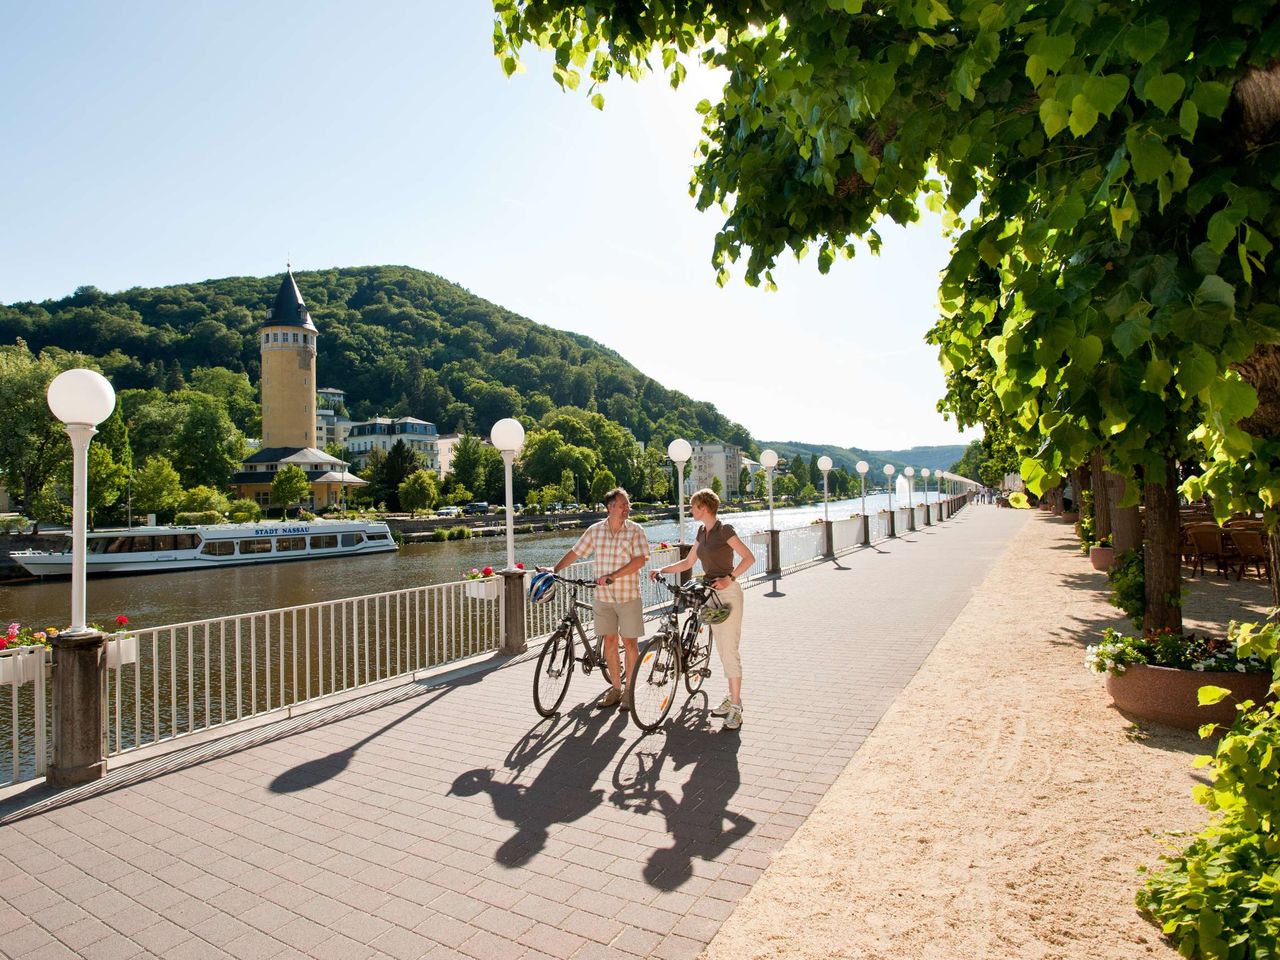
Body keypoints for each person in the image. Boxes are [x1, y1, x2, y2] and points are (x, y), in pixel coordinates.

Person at [650, 488, 755, 731]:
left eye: (693, 506)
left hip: (727, 594)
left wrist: (730, 578)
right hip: (710, 594)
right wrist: (662, 570)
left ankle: (736, 707)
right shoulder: (702, 531)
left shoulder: (724, 530)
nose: (690, 510)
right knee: (721, 648)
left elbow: (748, 557)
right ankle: (732, 696)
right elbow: (688, 562)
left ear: (704, 507)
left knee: (730, 650)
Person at [548, 487, 649, 709]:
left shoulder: (636, 530)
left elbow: (640, 561)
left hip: (628, 596)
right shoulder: (595, 531)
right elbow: (575, 552)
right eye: (623, 505)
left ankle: (629, 691)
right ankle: (616, 688)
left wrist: (613, 576)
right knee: (610, 642)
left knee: (630, 644)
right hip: (602, 597)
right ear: (610, 508)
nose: (627, 508)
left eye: (628, 504)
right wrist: (554, 570)